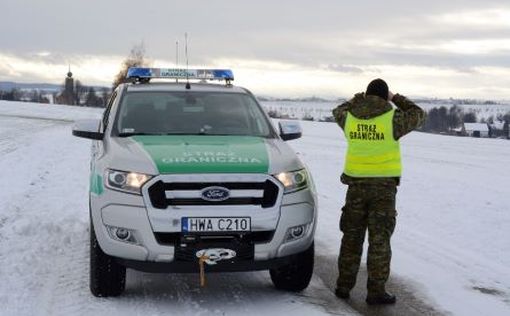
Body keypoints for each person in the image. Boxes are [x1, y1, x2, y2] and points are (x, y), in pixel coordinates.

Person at [332, 79, 425, 305]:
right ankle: (375, 292)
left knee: (351, 238)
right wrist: (396, 98)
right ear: (385, 97)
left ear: (367, 95)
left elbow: (338, 110)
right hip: (383, 191)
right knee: (380, 240)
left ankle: (343, 286)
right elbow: (418, 113)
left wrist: (357, 99)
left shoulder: (350, 118)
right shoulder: (393, 119)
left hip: (356, 188)